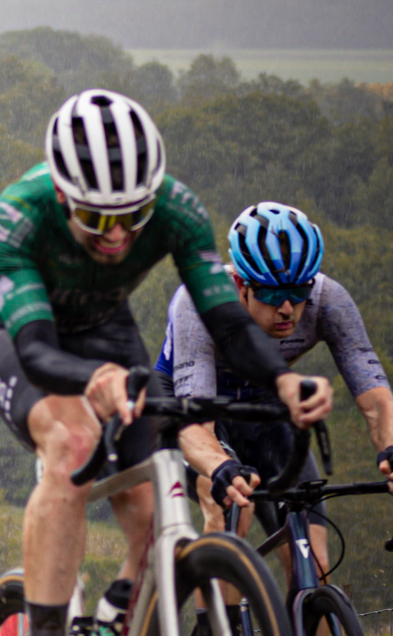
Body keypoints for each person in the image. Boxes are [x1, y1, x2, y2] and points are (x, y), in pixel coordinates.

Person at [0, 91, 328, 636]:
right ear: (63, 194)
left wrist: (283, 378)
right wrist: (92, 382)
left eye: (132, 218)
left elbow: (225, 319)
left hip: (103, 324)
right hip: (14, 329)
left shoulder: (180, 211)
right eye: (94, 218)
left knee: (156, 492)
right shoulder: (20, 215)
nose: (116, 237)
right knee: (73, 442)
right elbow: (41, 349)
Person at [165, 202, 393, 577]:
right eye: (272, 294)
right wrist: (220, 466)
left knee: (314, 563)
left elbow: (375, 399)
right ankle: (219, 629)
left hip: (265, 409)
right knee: (230, 515)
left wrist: (389, 448)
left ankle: (302, 624)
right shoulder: (200, 303)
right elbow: (195, 423)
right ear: (241, 284)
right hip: (194, 411)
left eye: (299, 290)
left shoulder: (327, 300)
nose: (288, 308)